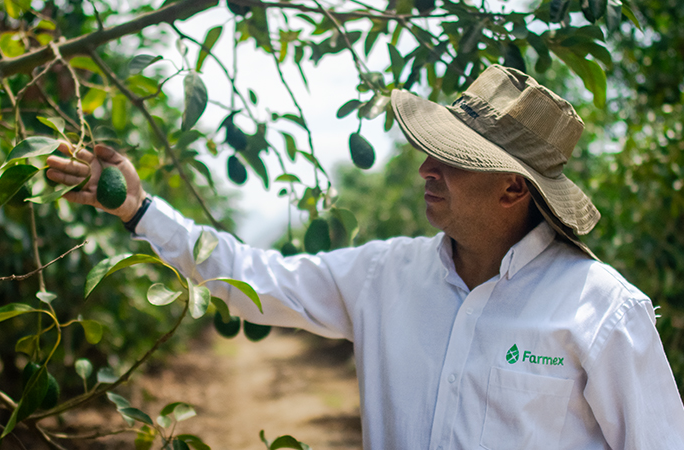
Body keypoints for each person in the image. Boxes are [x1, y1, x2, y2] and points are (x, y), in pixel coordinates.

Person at [47, 65, 684, 449]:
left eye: (454, 159)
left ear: (514, 187)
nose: (426, 168)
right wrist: (140, 210)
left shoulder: (600, 310)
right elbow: (257, 280)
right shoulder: (387, 277)